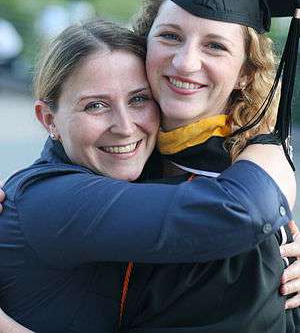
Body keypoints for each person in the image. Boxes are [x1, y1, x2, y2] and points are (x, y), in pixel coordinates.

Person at [0, 18, 294, 332]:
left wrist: (283, 243)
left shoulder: (135, 179)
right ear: (49, 119)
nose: (125, 127)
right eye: (95, 105)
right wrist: (271, 146)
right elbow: (239, 211)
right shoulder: (49, 201)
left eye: (139, 99)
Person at [117, 0, 300, 332]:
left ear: (245, 72)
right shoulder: (112, 153)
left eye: (215, 45)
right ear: (144, 40)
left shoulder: (241, 222)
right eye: (170, 36)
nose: (185, 63)